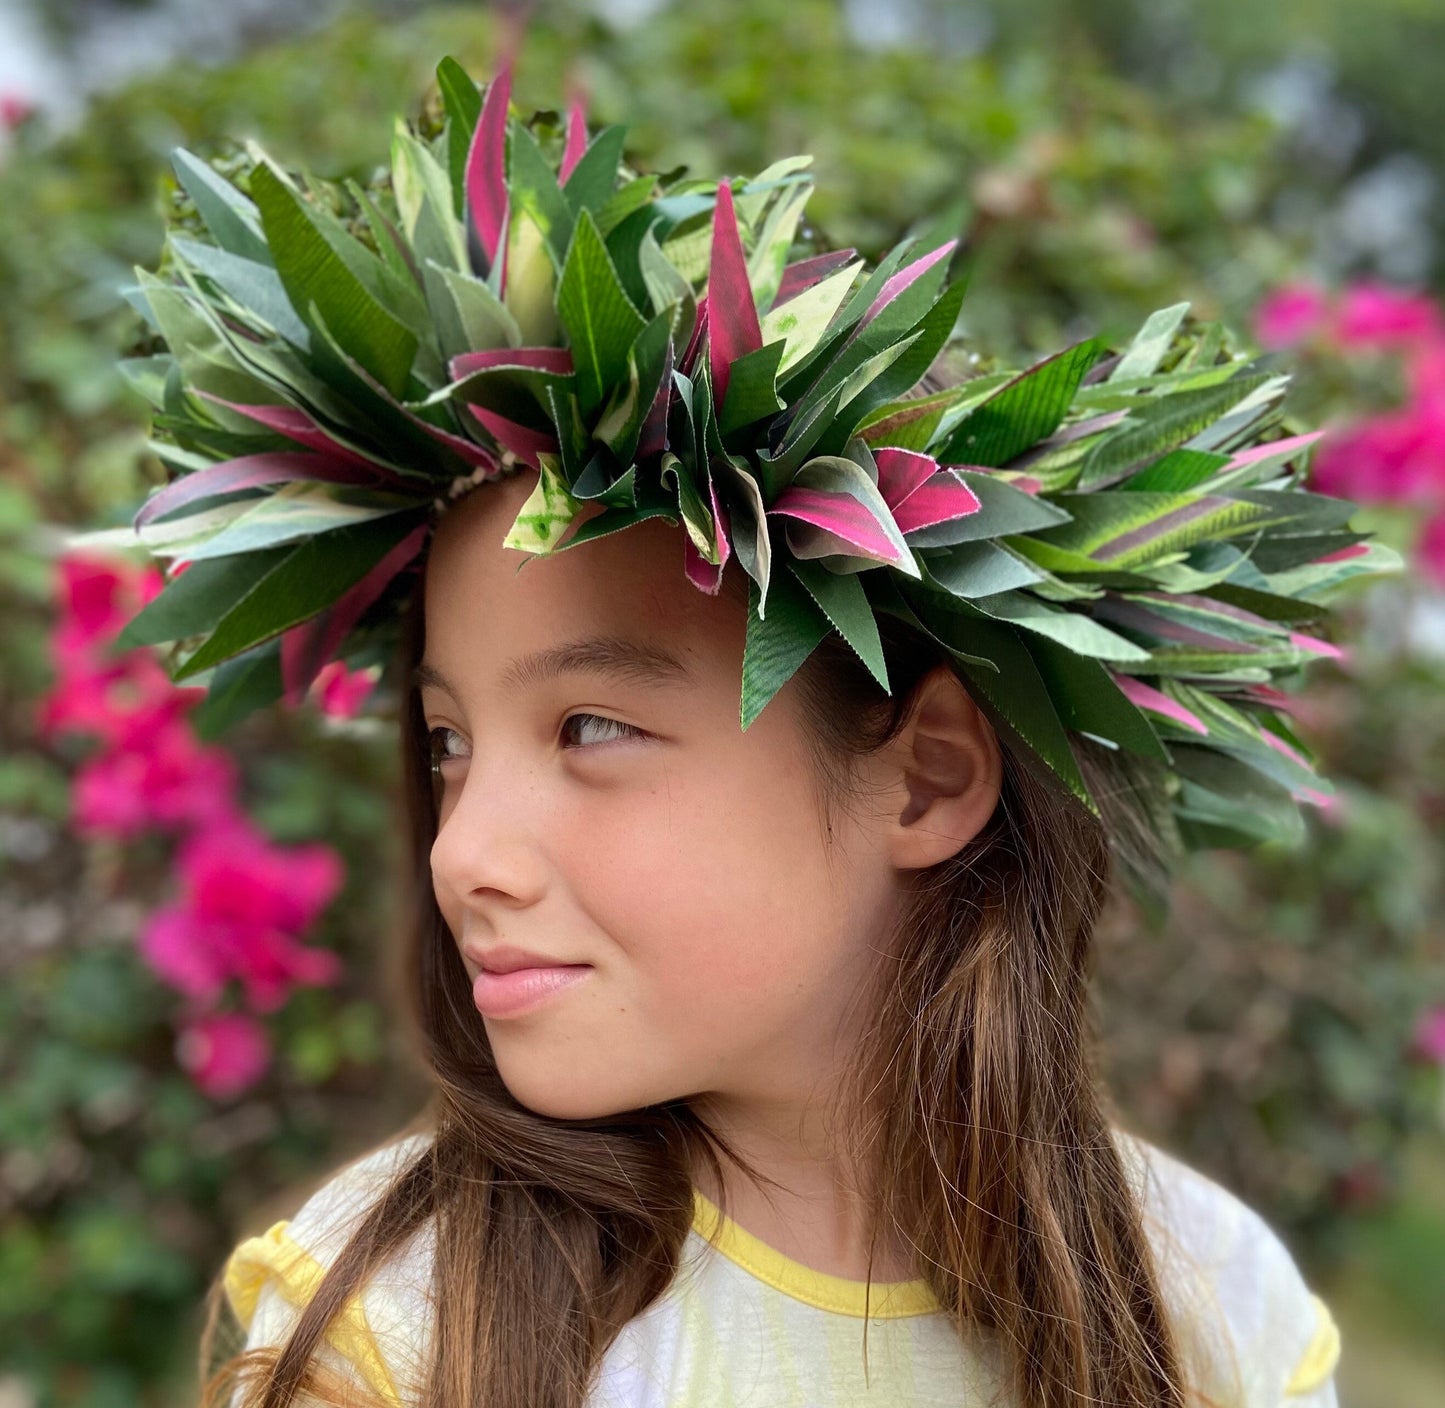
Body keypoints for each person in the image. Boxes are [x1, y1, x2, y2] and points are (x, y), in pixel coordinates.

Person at [110, 48, 1375, 1408]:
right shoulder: (399, 1336)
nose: (462, 849)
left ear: (924, 777)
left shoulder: (1208, 1310)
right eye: (447, 743)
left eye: (591, 727)